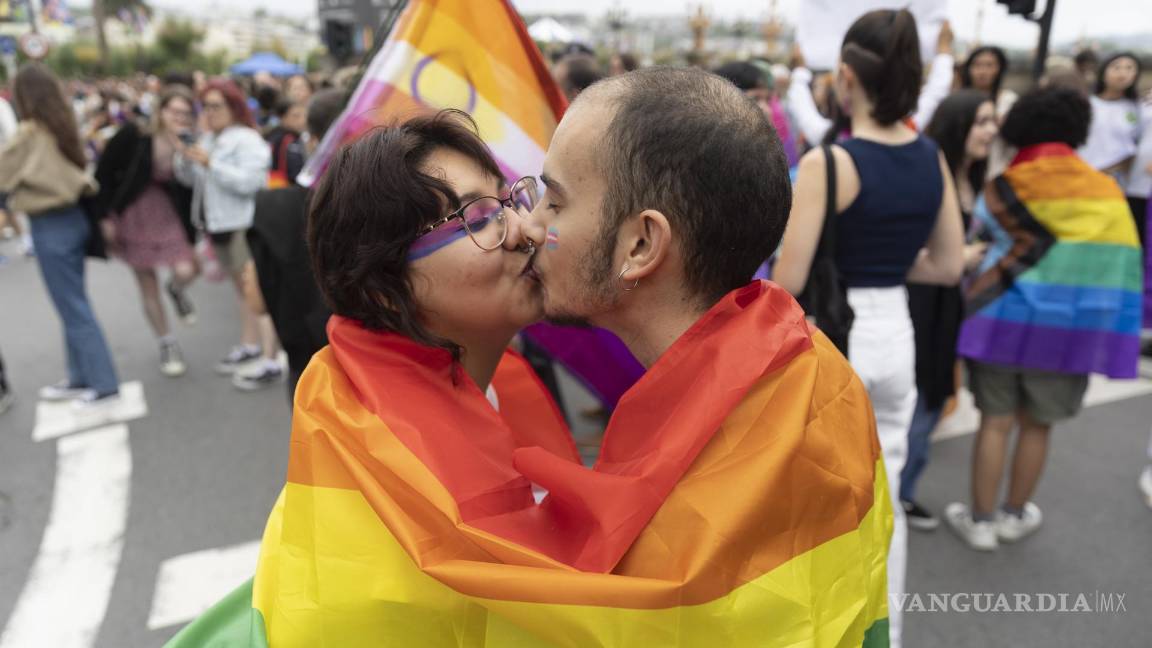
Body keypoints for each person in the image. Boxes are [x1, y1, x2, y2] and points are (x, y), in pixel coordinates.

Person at [168, 110, 581, 646]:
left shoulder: (491, 376)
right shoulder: (386, 459)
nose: (525, 230)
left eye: (510, 201)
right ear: (387, 289)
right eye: (478, 218)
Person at [521, 66, 891, 644]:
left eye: (553, 201)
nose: (528, 224)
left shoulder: (699, 508)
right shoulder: (812, 366)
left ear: (641, 244)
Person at [773, 10, 966, 645]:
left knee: (823, 500)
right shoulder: (931, 156)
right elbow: (945, 266)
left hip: (837, 336)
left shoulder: (830, 162)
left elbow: (789, 280)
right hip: (896, 333)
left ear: (847, 78)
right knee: (887, 493)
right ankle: (888, 626)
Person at [946, 87, 1142, 550]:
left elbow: (981, 240)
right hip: (1067, 331)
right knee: (1038, 426)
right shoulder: (1105, 190)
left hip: (1000, 320)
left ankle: (980, 522)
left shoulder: (1005, 186)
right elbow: (1118, 264)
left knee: (994, 422)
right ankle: (1015, 515)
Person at [900, 90, 997, 531]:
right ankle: (891, 495)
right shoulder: (929, 170)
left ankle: (903, 492)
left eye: (993, 121)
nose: (991, 131)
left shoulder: (974, 175)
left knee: (935, 395)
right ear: (959, 125)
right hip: (920, 300)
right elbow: (903, 244)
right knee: (916, 398)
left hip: (950, 302)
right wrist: (959, 254)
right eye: (981, 122)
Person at [0, 63, 121, 410]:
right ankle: (80, 376)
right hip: (72, 218)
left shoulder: (29, 133)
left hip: (50, 223)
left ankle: (102, 381)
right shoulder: (62, 124)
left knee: (72, 306)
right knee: (72, 302)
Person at [174, 80, 278, 384]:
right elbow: (191, 180)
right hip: (217, 225)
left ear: (234, 106)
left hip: (242, 224)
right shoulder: (209, 139)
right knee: (241, 291)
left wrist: (212, 164)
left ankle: (270, 358)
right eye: (205, 106)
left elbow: (252, 183)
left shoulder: (246, 139)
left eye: (216, 105)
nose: (209, 112)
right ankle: (250, 344)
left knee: (256, 290)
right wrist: (186, 156)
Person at [244, 89, 344, 398]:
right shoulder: (402, 206)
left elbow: (258, 303)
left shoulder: (279, 209)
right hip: (389, 372)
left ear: (313, 140)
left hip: (311, 368)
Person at [94, 86, 200, 377]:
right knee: (146, 282)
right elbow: (103, 173)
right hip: (132, 213)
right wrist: (103, 217)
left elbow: (193, 186)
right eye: (174, 111)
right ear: (161, 111)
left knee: (188, 268)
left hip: (168, 214)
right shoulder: (134, 135)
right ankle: (167, 343)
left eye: (186, 113)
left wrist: (187, 156)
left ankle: (176, 290)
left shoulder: (191, 142)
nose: (180, 117)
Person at [787, 20, 956, 148]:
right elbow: (935, 93)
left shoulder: (831, 144)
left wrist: (799, 71)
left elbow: (802, 108)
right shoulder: (914, 137)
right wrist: (944, 53)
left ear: (847, 80)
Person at [1079, 53, 1146, 241]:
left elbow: (1138, 145)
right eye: (1117, 67)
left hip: (1116, 184)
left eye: (1129, 68)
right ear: (1104, 71)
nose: (1122, 73)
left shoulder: (1138, 109)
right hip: (1083, 178)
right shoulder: (1086, 104)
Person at [959, 46, 1017, 119]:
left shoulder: (1008, 100)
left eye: (989, 65)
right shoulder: (957, 100)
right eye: (977, 65)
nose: (982, 71)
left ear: (1000, 69)